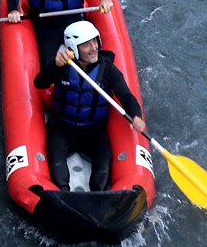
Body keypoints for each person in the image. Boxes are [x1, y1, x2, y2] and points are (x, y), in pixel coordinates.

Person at [34, 20, 145, 192]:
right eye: (86, 45)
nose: (93, 48)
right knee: (56, 163)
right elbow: (40, 83)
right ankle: (63, 196)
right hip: (61, 127)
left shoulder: (107, 69)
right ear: (73, 48)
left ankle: (98, 199)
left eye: (95, 42)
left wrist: (136, 115)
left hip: (93, 131)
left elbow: (127, 97)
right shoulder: (63, 65)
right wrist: (54, 66)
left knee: (103, 165)